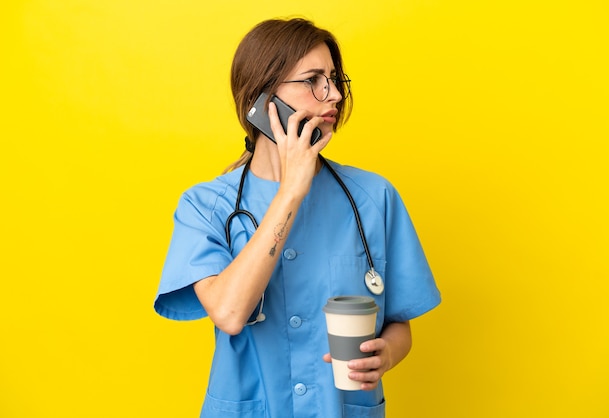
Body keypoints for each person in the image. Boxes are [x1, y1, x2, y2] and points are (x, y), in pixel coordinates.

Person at [154, 17, 441, 418]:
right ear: (263, 100)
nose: (335, 95)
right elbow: (230, 313)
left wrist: (387, 354)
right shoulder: (205, 206)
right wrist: (291, 190)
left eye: (336, 80)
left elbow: (399, 324)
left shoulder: (375, 198)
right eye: (314, 81)